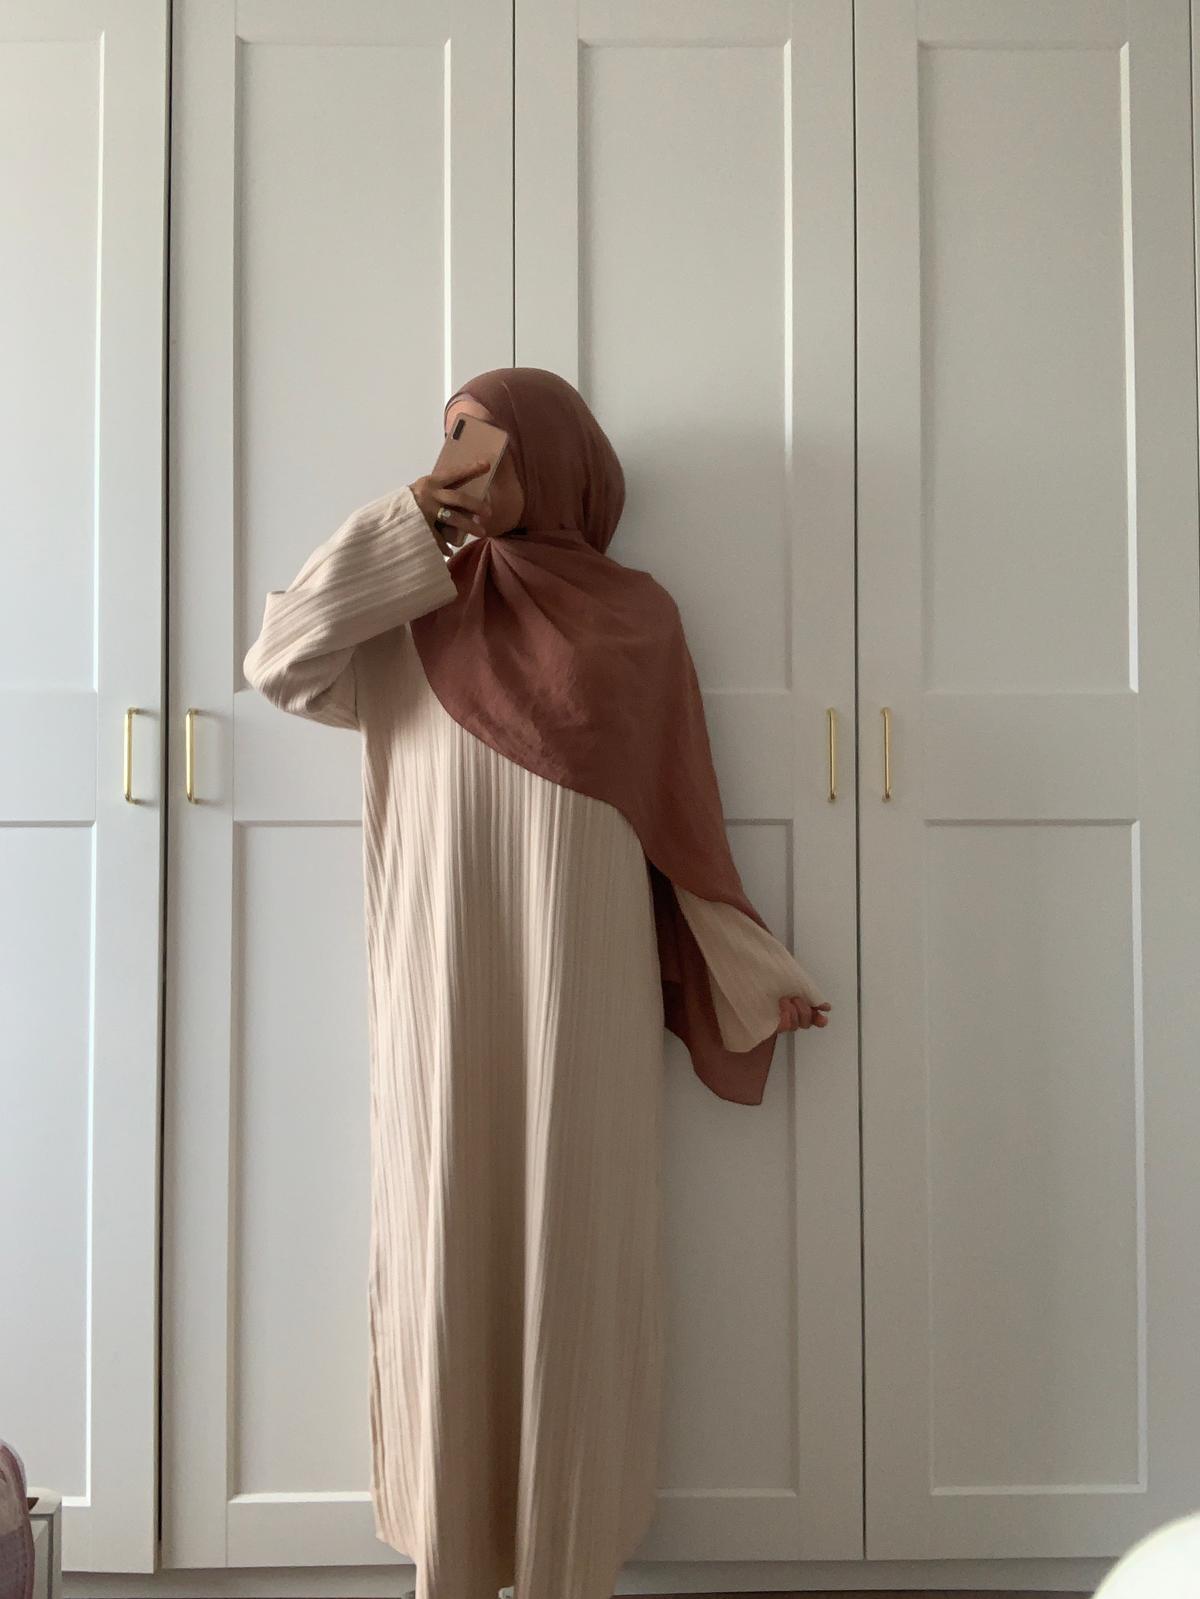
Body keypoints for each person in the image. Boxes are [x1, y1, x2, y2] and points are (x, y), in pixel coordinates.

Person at [241, 366, 830, 1599]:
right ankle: (453, 1555)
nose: (459, 456)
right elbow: (279, 661)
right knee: (443, 1242)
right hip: (439, 996)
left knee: (576, 1248)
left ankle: (565, 1560)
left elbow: (682, 824)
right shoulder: (412, 608)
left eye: (484, 440)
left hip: (585, 1000)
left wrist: (749, 973)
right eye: (446, 437)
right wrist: (406, 522)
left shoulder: (638, 622)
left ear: (554, 461)